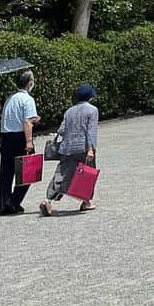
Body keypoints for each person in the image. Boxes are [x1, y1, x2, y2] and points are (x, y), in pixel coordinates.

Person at [39, 82, 99, 216]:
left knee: (60, 174)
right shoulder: (92, 110)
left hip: (67, 147)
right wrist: (91, 149)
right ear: (90, 96)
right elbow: (91, 131)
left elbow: (61, 130)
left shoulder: (69, 111)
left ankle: (47, 200)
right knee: (87, 174)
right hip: (83, 147)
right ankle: (86, 202)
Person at [0, 69, 40, 216]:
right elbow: (27, 122)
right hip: (20, 138)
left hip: (6, 137)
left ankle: (4, 203)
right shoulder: (27, 99)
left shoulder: (10, 98)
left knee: (6, 173)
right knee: (29, 171)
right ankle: (14, 201)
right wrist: (29, 142)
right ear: (30, 83)